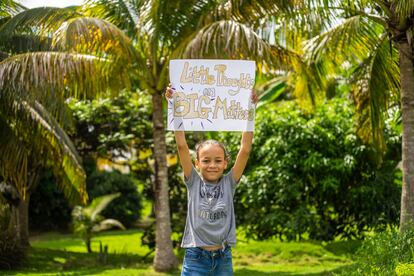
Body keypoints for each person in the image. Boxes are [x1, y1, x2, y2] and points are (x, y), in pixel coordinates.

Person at [165, 85, 257, 276]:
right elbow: (182, 146)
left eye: (217, 161)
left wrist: (250, 109)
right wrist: (173, 105)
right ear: (197, 163)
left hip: (223, 258)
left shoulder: (229, 183)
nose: (212, 165)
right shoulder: (193, 182)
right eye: (206, 161)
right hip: (196, 258)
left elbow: (245, 149)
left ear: (225, 163)